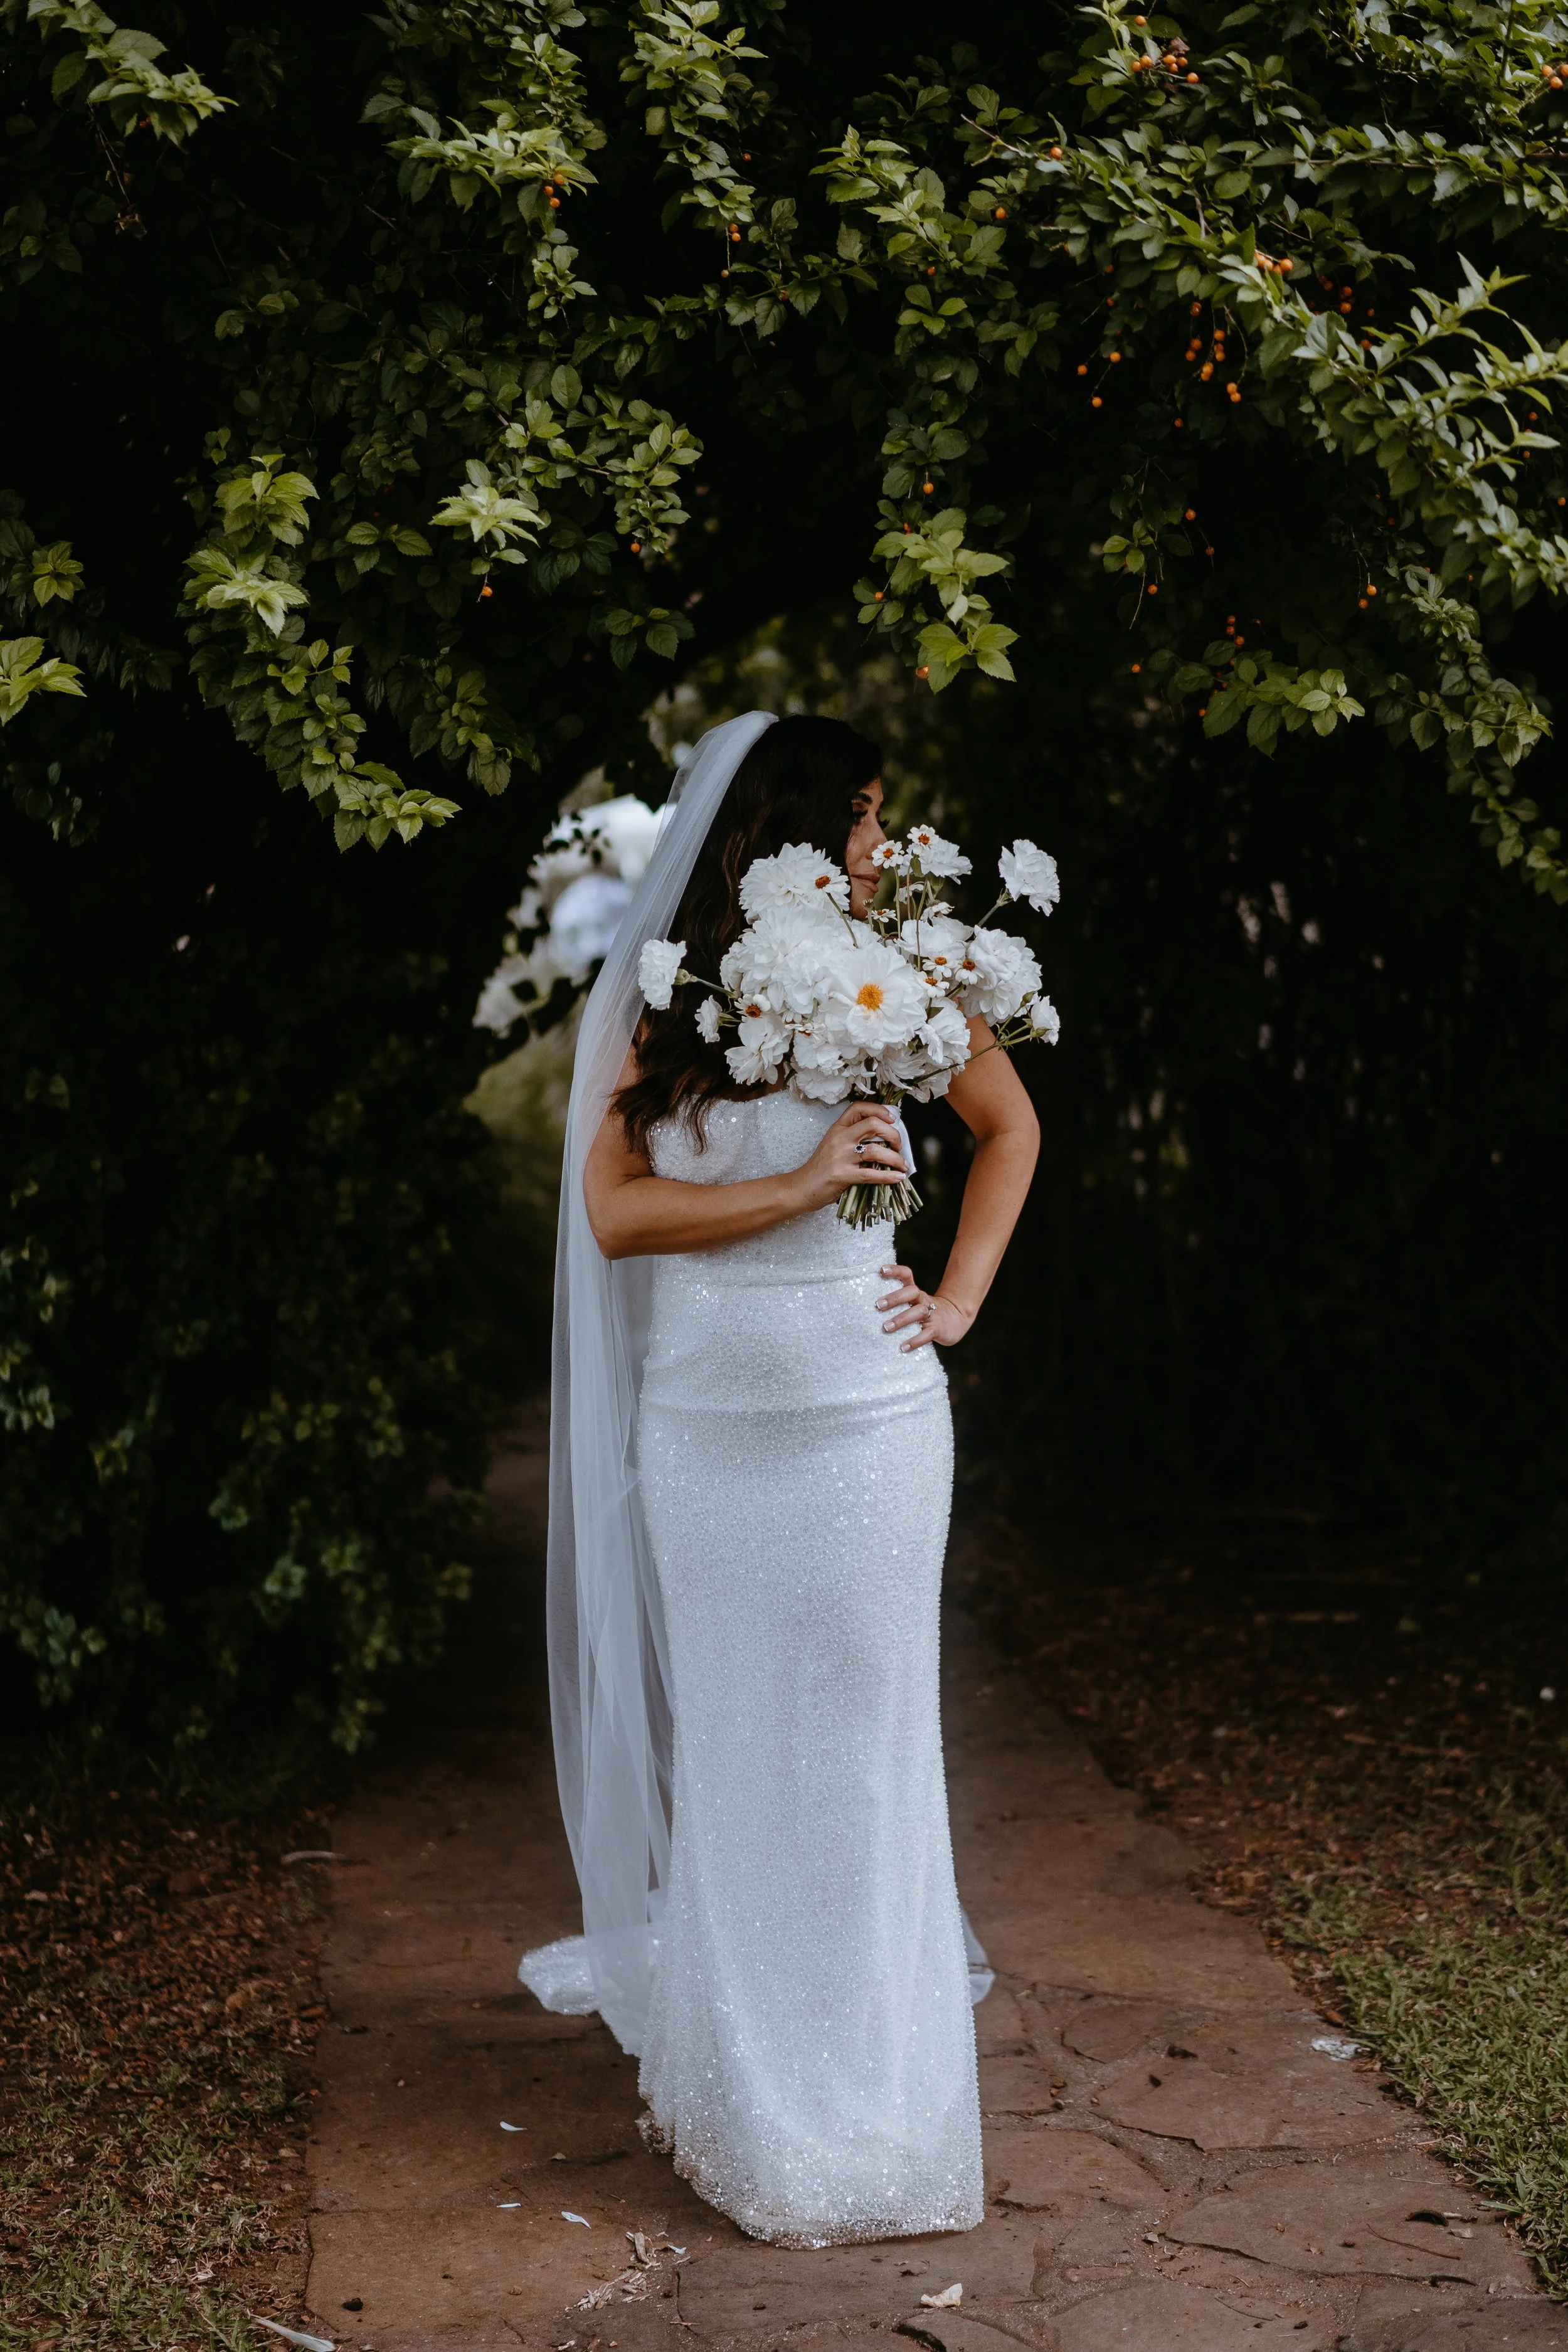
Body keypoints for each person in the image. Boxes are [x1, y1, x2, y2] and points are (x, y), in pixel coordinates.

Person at [519, 711, 1039, 2250]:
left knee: (871, 1748)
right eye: (863, 815)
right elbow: (614, 1215)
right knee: (746, 1755)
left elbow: (1007, 1129)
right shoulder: (668, 994)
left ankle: (887, 2107)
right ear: (790, 827)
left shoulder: (903, 973)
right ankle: (755, 2106)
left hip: (868, 1418)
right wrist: (800, 1182)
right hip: (706, 1425)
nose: (880, 844)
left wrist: (953, 1300)